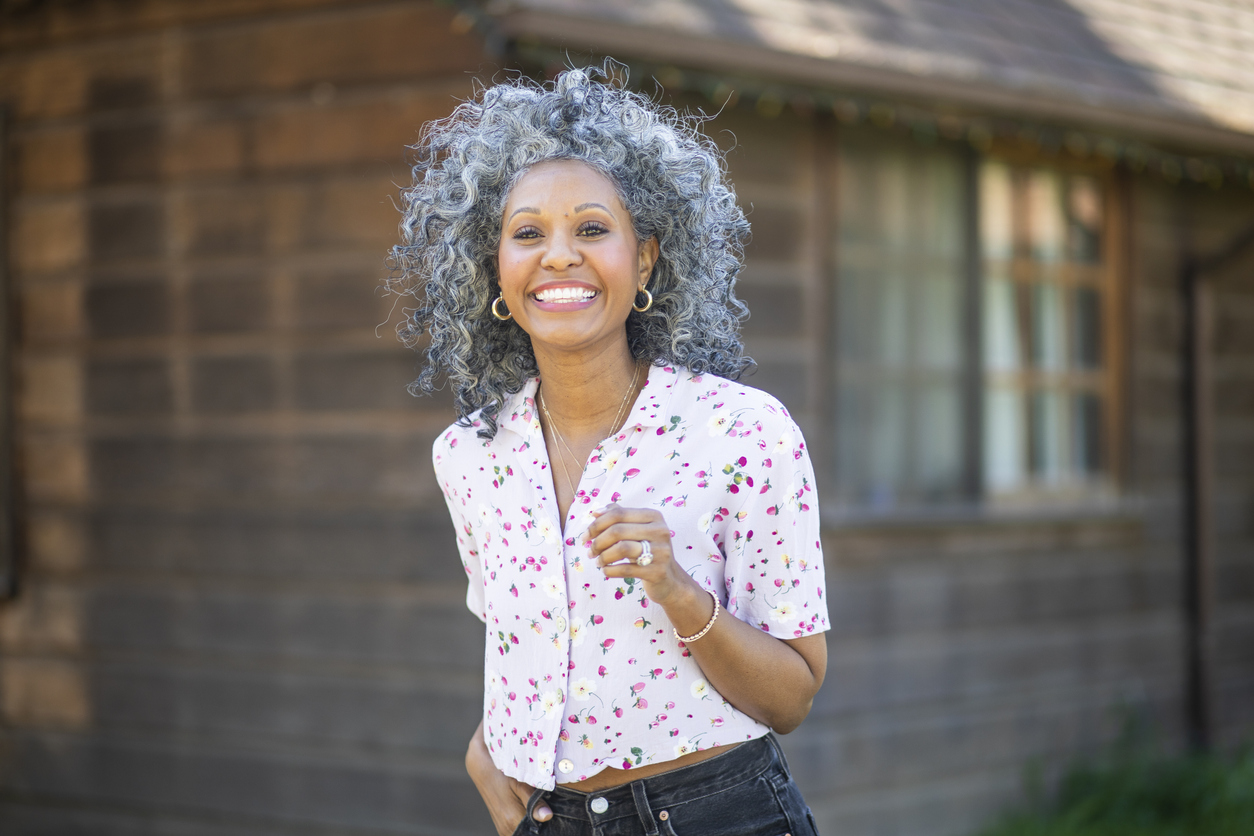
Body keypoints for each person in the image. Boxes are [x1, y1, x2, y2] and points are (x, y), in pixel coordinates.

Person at [390, 61, 829, 836]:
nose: (559, 256)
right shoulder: (469, 454)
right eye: (528, 234)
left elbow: (792, 696)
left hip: (716, 815)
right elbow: (522, 639)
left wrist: (678, 589)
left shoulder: (743, 431)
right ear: (495, 265)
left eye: (592, 229)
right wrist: (487, 751)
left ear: (647, 258)